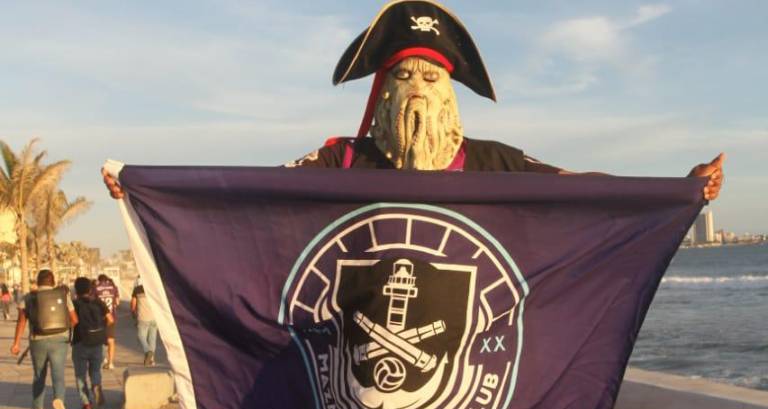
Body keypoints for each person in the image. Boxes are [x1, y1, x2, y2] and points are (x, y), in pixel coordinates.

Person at [103, 1, 723, 197]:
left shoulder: (491, 161)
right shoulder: (341, 160)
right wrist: (147, 186)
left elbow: (576, 189)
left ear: (451, 96)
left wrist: (679, 188)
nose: (418, 91)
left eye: (431, 79)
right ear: (381, 93)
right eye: (403, 78)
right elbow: (250, 191)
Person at [10, 269, 78, 409]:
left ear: (37, 281)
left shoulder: (28, 297)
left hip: (37, 340)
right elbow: (74, 319)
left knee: (39, 375)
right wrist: (64, 329)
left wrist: (16, 343)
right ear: (52, 281)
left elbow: (21, 321)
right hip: (60, 340)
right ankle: (59, 400)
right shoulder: (63, 295)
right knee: (58, 374)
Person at [72, 277, 113, 409]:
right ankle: (96, 384)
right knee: (95, 370)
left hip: (80, 342)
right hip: (97, 342)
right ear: (90, 289)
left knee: (80, 375)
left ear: (76, 290)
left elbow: (72, 321)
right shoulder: (98, 302)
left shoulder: (74, 304)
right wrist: (102, 329)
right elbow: (110, 319)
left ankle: (86, 403)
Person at [94, 274, 119, 369]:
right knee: (111, 340)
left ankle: (103, 358)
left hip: (99, 318)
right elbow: (117, 302)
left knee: (99, 339)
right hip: (111, 317)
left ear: (99, 280)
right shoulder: (114, 288)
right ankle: (111, 363)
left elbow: (92, 301)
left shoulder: (96, 288)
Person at [131, 277, 158, 366]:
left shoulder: (137, 290)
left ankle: (147, 351)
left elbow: (133, 305)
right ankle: (152, 360)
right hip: (154, 318)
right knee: (152, 339)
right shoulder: (154, 290)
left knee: (141, 336)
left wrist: (133, 314)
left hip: (142, 318)